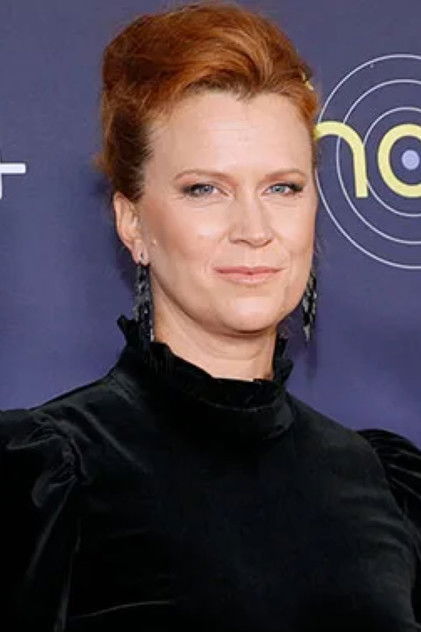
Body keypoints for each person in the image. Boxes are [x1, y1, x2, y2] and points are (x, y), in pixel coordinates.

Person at [1, 1, 421, 630]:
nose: (254, 228)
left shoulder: (379, 480)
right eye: (205, 189)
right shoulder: (51, 476)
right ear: (132, 222)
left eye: (282, 187)